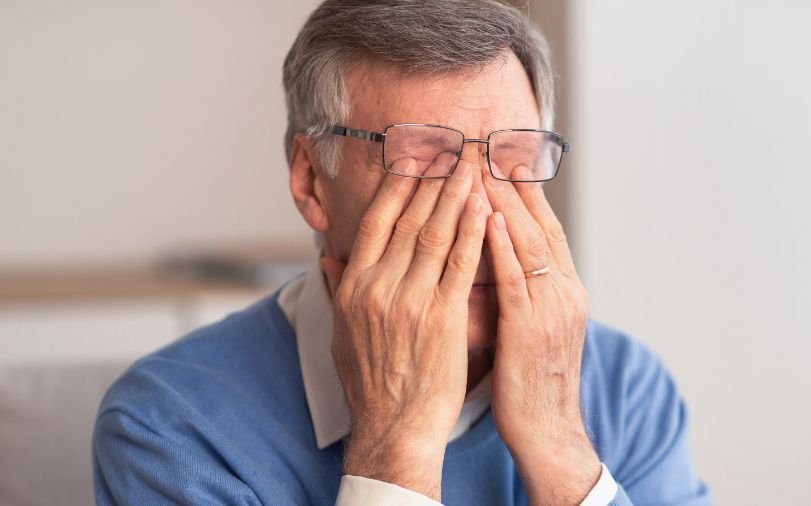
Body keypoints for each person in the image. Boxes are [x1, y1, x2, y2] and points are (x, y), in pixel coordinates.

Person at [92, 1, 711, 504]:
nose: (480, 212)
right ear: (311, 182)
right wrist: (397, 445)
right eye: (420, 160)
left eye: (513, 159)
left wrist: (560, 444)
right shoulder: (169, 427)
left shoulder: (629, 389)